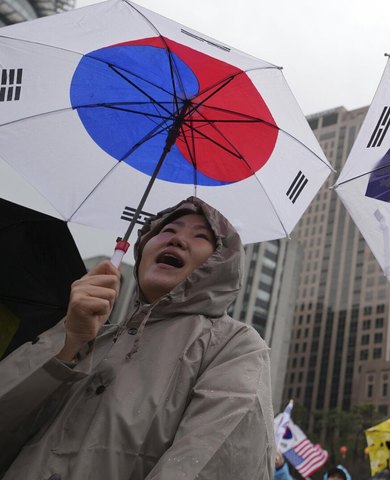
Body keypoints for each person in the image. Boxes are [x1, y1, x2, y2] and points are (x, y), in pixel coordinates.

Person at [0, 197, 275, 479]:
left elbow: (211, 461)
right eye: (168, 230)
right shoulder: (89, 336)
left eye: (200, 236)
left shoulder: (234, 346)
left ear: (221, 263)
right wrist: (68, 343)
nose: (178, 239)